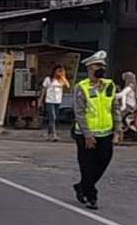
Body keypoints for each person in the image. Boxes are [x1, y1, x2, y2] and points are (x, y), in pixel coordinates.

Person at [72, 50, 121, 210]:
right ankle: (91, 196)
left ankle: (82, 186)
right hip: (85, 134)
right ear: (90, 68)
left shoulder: (109, 85)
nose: (102, 68)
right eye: (99, 65)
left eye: (103, 66)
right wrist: (87, 135)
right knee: (87, 166)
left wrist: (118, 129)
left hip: (106, 133)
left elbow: (114, 107)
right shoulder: (82, 87)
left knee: (102, 163)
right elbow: (79, 113)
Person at [38, 64, 69, 142]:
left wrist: (63, 77)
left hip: (58, 100)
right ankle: (54, 134)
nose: (59, 72)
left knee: (54, 118)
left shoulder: (61, 80)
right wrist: (40, 101)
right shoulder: (48, 79)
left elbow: (68, 86)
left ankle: (49, 135)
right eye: (58, 71)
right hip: (49, 100)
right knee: (53, 117)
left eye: (61, 71)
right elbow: (43, 90)